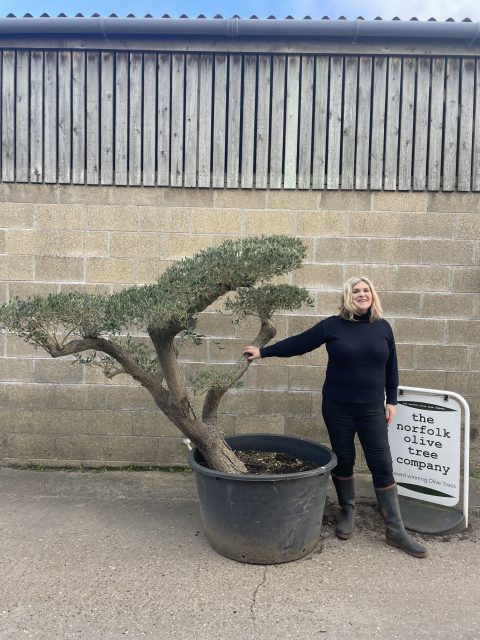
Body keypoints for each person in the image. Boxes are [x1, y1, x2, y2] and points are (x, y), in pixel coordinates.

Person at [243, 276, 427, 558]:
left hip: (371, 408)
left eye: (366, 290)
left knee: (382, 463)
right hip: (337, 407)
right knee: (344, 458)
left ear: (372, 295)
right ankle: (348, 511)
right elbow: (299, 343)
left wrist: (392, 400)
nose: (361, 294)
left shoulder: (383, 328)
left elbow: (392, 367)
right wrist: (263, 352)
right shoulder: (333, 326)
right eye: (356, 291)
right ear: (347, 297)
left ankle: (395, 529)